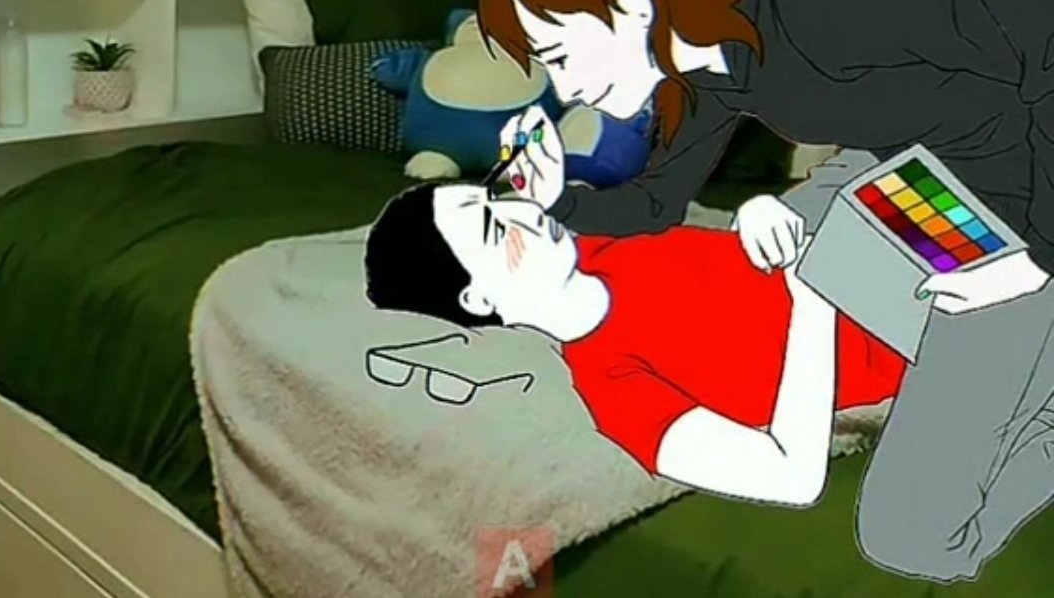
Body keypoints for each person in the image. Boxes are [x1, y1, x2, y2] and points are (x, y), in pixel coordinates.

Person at [470, 0, 1054, 582]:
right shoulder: (708, 58)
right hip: (919, 186)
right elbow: (655, 207)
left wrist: (1036, 258)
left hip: (1015, 208)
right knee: (793, 246)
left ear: (629, 4)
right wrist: (553, 198)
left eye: (560, 56)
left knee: (908, 536)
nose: (566, 90)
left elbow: (1043, 33)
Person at [364, 181, 905, 503]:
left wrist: (762, 211)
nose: (526, 213)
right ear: (479, 299)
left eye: (500, 199)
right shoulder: (617, 389)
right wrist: (812, 297)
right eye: (495, 229)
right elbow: (791, 477)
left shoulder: (608, 244)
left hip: (883, 253)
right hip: (916, 335)